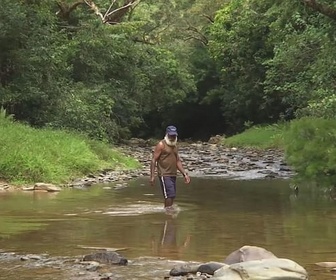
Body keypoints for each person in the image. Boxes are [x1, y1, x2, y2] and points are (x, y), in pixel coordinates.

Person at [150, 125, 191, 210]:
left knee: (172, 195)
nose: (172, 137)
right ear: (167, 134)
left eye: (174, 136)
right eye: (171, 135)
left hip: (173, 174)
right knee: (169, 195)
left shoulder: (175, 146)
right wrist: (152, 176)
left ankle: (168, 213)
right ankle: (168, 213)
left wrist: (184, 174)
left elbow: (178, 161)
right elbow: (154, 160)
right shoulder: (161, 145)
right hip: (164, 174)